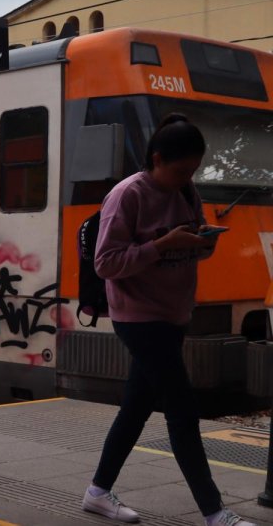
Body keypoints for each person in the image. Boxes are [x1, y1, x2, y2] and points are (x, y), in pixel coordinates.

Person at [82, 115, 253, 526]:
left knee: (136, 407)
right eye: (179, 171)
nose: (185, 179)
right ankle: (214, 512)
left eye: (193, 171)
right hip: (139, 316)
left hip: (174, 313)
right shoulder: (127, 195)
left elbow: (189, 248)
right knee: (182, 410)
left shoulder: (187, 191)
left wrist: (202, 243)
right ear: (156, 159)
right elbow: (106, 263)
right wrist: (161, 245)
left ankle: (97, 493)